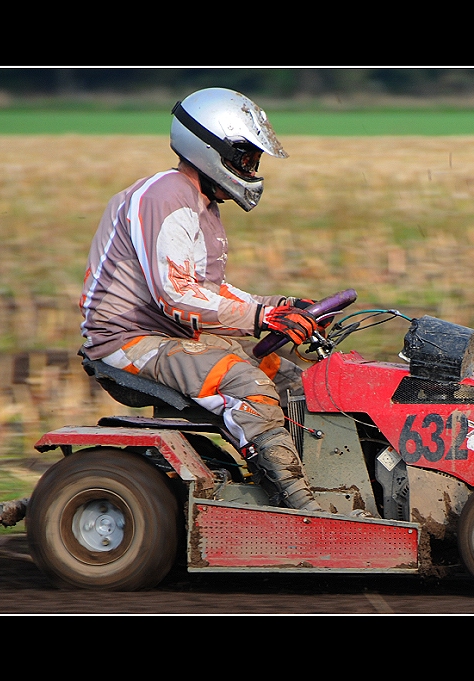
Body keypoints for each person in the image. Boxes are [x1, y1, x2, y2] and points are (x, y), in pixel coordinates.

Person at [79, 87, 325, 512]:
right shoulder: (167, 195)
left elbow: (207, 291)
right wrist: (261, 317)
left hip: (171, 335)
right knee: (245, 383)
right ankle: (299, 508)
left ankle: (324, 483)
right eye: (245, 157)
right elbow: (176, 295)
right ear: (211, 148)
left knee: (295, 382)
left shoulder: (201, 204)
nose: (251, 168)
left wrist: (281, 306)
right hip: (127, 339)